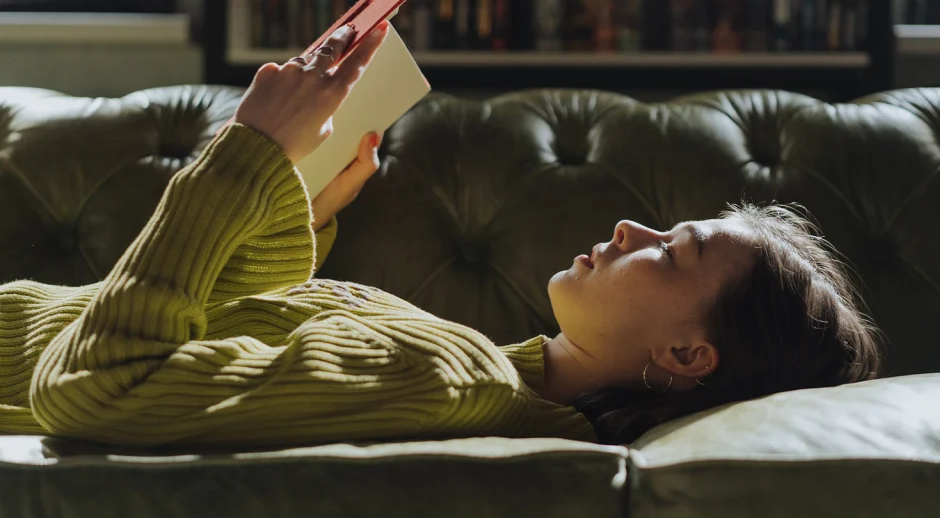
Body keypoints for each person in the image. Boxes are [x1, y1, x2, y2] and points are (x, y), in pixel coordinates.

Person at [0, 22, 883, 448]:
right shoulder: (476, 365)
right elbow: (198, 336)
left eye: (671, 250)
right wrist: (292, 206)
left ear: (691, 357)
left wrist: (247, 155)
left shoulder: (445, 380)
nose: (629, 225)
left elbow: (92, 385)